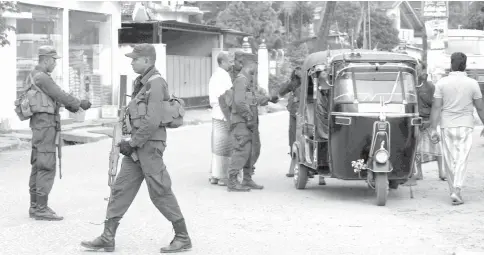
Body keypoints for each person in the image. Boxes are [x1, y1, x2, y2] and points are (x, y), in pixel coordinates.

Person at [80, 44, 192, 253]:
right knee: (121, 188)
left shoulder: (156, 83)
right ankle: (108, 236)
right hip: (138, 146)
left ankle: (183, 236)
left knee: (160, 190)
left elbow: (152, 120)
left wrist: (131, 143)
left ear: (147, 61)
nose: (131, 62)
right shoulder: (142, 83)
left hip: (149, 146)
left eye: (135, 59)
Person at [27, 45, 92, 221]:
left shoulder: (35, 76)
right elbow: (60, 94)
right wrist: (79, 103)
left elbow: (54, 97)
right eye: (54, 60)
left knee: (38, 164)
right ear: (46, 59)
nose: (55, 64)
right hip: (46, 126)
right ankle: (41, 208)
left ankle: (35, 206)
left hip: (40, 125)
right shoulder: (43, 77)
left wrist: (72, 105)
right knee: (46, 164)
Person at [430, 52, 484, 205]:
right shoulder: (472, 83)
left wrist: (433, 128)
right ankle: (457, 190)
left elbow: (436, 107)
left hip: (447, 126)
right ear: (465, 65)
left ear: (451, 64)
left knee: (449, 159)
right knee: (461, 159)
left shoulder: (441, 83)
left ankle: (453, 190)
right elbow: (480, 108)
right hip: (466, 126)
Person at [228, 53, 278, 192]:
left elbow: (253, 99)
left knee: (252, 150)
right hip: (242, 122)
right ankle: (232, 182)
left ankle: (247, 179)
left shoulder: (248, 81)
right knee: (242, 150)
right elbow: (239, 102)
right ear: (251, 64)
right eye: (256, 65)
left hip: (250, 123)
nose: (257, 68)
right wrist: (249, 118)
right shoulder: (241, 80)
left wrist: (268, 98)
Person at [415, 63, 445, 181]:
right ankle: (419, 173)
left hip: (428, 121)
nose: (420, 72)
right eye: (416, 69)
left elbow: (436, 106)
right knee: (416, 149)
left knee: (436, 147)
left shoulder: (430, 87)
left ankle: (441, 172)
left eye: (420, 69)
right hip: (416, 122)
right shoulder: (410, 85)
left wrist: (432, 123)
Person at [208, 52, 233, 186]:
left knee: (217, 146)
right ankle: (222, 177)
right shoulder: (223, 76)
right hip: (222, 113)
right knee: (225, 146)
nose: (231, 64)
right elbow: (224, 98)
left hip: (216, 114)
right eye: (229, 61)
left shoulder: (215, 75)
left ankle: (214, 175)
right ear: (222, 62)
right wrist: (229, 117)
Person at [276, 67, 302, 177]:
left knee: (303, 139)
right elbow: (281, 91)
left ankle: (303, 168)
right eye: (297, 70)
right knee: (293, 139)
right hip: (294, 114)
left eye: (301, 69)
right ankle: (294, 168)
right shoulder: (293, 83)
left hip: (304, 114)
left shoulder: (309, 81)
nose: (299, 72)